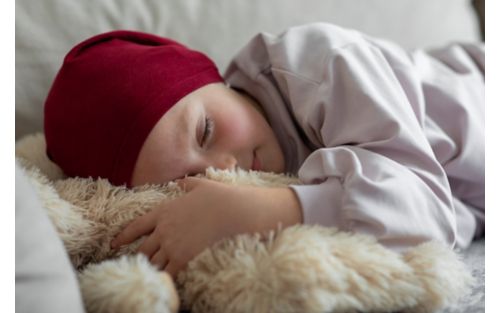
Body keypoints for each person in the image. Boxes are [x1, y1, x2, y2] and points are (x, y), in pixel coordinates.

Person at [44, 23, 485, 278]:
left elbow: (427, 215)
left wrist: (273, 209)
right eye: (183, 181)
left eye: (206, 131)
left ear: (211, 78)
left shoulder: (321, 64)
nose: (225, 169)